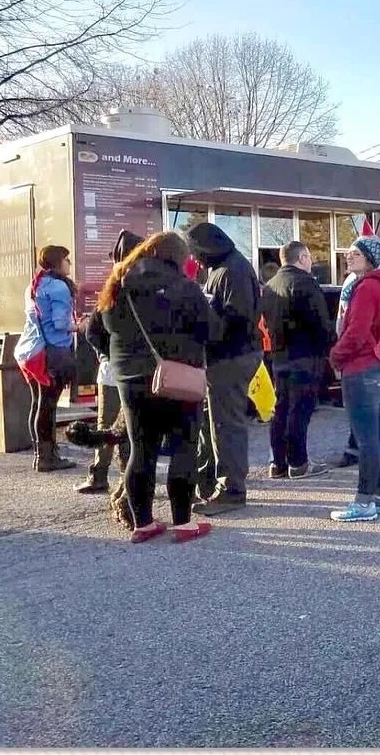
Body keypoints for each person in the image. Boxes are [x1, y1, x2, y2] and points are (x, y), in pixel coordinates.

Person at [97, 231, 217, 543]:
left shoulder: (117, 284)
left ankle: (143, 524)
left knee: (141, 449)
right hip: (177, 377)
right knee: (183, 447)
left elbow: (92, 330)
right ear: (179, 257)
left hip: (130, 379)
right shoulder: (184, 287)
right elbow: (210, 330)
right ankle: (182, 523)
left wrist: (118, 358)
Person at [186, 223, 263, 514]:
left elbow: (237, 319)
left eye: (195, 253)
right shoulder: (224, 268)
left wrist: (203, 318)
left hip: (232, 356)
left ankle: (231, 489)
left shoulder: (233, 270)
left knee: (226, 424)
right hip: (227, 356)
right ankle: (211, 482)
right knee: (216, 422)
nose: (194, 260)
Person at [328, 237, 380, 522]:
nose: (349, 257)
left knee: (367, 438)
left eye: (356, 253)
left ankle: (363, 503)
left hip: (362, 368)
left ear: (369, 258)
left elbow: (357, 331)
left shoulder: (366, 288)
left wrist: (335, 355)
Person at [78, 229, 144, 495]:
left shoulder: (116, 286)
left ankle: (104, 476)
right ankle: (115, 476)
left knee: (110, 427)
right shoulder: (145, 284)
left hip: (117, 369)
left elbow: (92, 330)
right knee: (123, 427)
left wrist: (109, 353)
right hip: (132, 370)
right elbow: (94, 330)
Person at [261, 240, 333, 479]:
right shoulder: (306, 284)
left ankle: (278, 462)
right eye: (309, 256)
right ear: (302, 258)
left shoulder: (270, 286)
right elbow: (321, 323)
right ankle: (298, 462)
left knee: (280, 409)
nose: (311, 261)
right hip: (305, 355)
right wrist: (328, 348)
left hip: (279, 356)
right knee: (299, 410)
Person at [14, 245, 83, 472]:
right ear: (57, 262)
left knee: (38, 402)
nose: (69, 264)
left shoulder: (34, 285)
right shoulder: (58, 288)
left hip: (29, 350)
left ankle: (40, 454)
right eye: (66, 259)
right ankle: (47, 458)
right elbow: (61, 325)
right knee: (48, 406)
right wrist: (81, 326)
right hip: (49, 352)